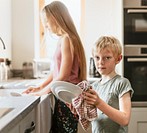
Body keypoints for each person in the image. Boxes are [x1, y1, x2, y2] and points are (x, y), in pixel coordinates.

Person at [23, 1, 87, 133]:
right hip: (64, 95)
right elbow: (56, 71)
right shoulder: (66, 38)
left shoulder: (67, 39)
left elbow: (63, 75)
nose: (45, 25)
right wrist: (40, 86)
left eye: (46, 21)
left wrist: (41, 93)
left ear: (55, 18)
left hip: (67, 96)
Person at [83, 36, 134, 133]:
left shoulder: (122, 83)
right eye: (97, 57)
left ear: (118, 59)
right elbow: (91, 118)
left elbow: (125, 120)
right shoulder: (93, 87)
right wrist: (79, 110)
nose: (101, 62)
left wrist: (99, 103)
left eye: (107, 58)